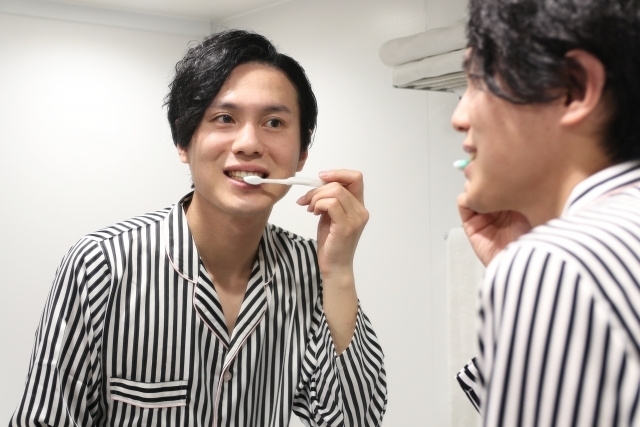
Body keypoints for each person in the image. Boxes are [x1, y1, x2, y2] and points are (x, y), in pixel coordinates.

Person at [10, 29, 387, 427]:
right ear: (183, 142)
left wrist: (338, 271)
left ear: (302, 154)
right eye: (225, 118)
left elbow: (354, 420)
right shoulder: (101, 264)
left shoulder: (309, 270)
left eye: (274, 122)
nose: (248, 143)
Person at [451, 0, 640, 425]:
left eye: (476, 80)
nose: (458, 118)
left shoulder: (557, 263)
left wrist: (531, 271)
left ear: (575, 87)